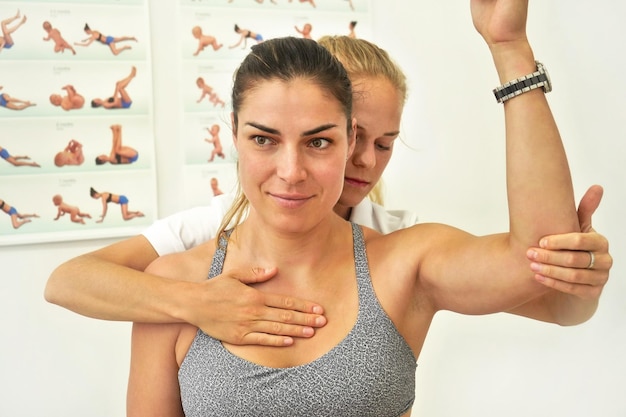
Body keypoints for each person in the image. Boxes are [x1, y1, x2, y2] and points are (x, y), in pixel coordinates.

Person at [124, 23, 604, 413]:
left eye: (318, 141)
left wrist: (510, 49)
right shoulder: (175, 282)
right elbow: (67, 282)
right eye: (264, 139)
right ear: (234, 134)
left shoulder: (404, 260)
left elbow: (542, 261)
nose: (291, 172)